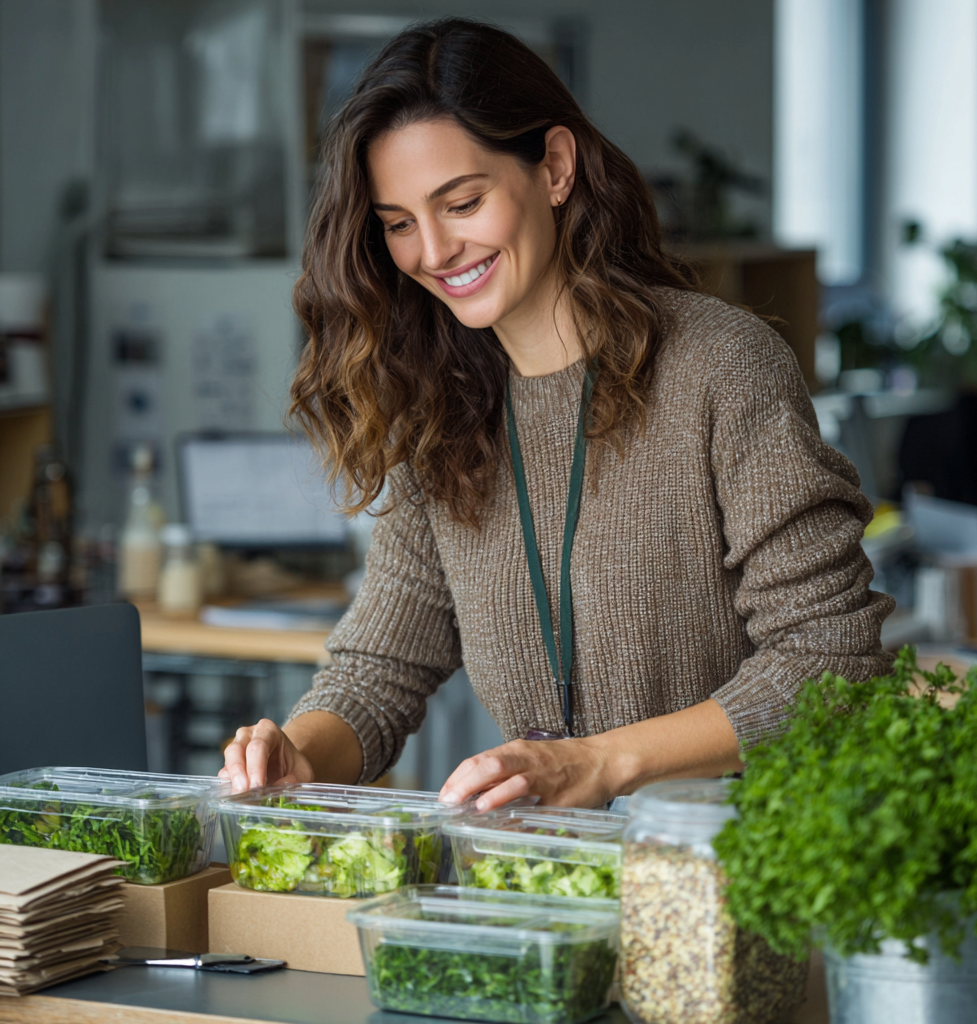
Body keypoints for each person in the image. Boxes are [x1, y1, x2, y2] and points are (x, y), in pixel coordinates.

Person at [221, 18, 893, 810]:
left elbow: (832, 659)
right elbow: (378, 669)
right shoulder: (441, 407)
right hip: (551, 882)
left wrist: (602, 763)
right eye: (399, 223)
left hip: (738, 867)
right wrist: (296, 752)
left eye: (462, 202)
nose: (433, 251)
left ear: (556, 169)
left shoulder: (719, 366)